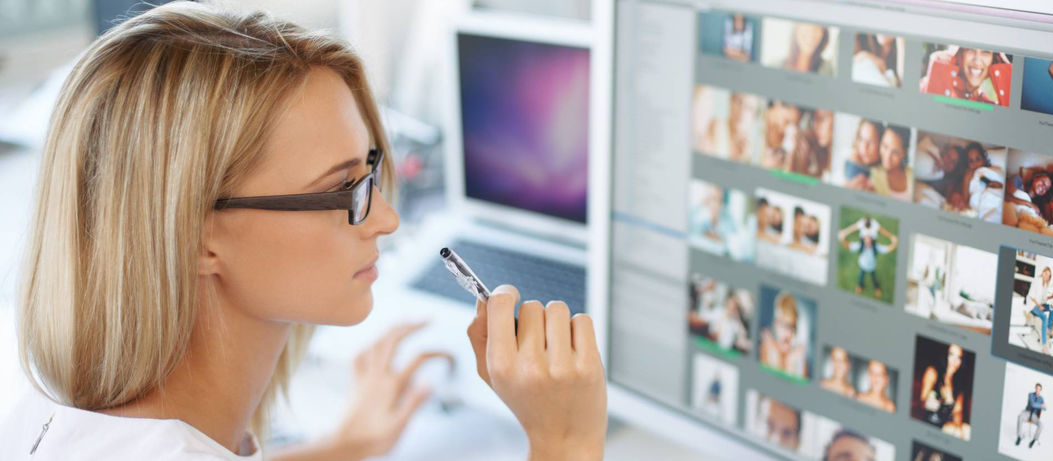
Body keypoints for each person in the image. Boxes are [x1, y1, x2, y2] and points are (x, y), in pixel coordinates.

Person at [1, 4, 607, 460]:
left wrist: (347, 444)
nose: (388, 220)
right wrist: (565, 438)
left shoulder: (57, 412)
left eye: (370, 171)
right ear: (195, 237)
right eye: (345, 190)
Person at [921, 46, 1011, 106]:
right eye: (970, 49)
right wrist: (939, 72)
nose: (977, 62)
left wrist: (1006, 75)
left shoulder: (988, 104)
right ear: (958, 55)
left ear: (993, 60)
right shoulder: (925, 86)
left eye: (986, 52)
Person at [838, 216, 898, 298]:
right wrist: (842, 239)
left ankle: (877, 288)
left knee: (874, 279)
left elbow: (887, 248)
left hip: (872, 266)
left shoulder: (876, 247)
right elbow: (848, 246)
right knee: (861, 278)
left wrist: (894, 242)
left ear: (872, 240)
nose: (867, 241)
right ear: (863, 240)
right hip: (863, 265)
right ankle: (859, 286)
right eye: (866, 239)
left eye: (869, 240)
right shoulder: (860, 245)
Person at [919, 344, 970, 438]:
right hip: (931, 423)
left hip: (948, 426)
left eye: (959, 357)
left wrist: (958, 428)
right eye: (951, 355)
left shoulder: (959, 384)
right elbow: (922, 400)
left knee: (967, 430)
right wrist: (927, 403)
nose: (955, 361)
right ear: (945, 355)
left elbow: (958, 413)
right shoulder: (933, 372)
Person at [760, 292, 809, 379]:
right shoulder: (767, 347)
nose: (788, 333)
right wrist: (778, 357)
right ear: (775, 324)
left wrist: (790, 363)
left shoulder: (799, 357)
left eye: (792, 327)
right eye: (784, 325)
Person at [869, 124, 913, 201]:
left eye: (895, 152)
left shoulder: (912, 174)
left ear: (904, 153)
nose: (887, 157)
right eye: (885, 146)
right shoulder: (872, 174)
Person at [843, 118, 881, 191]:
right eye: (861, 139)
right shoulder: (852, 161)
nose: (865, 147)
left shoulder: (882, 174)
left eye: (871, 141)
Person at [1028, 267, 1053, 354]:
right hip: (1033, 305)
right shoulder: (1037, 281)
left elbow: (1043, 299)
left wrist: (1051, 296)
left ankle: (1048, 328)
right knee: (1044, 317)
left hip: (1039, 304)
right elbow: (1031, 295)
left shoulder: (1045, 285)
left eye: (1048, 275)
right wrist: (1038, 305)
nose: (1046, 276)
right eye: (1045, 274)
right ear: (1042, 273)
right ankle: (1044, 345)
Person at [1015, 383, 1047, 448]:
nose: (1037, 390)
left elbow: (1045, 408)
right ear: (1035, 388)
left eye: (1039, 389)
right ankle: (1019, 437)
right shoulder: (1030, 395)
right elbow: (1032, 404)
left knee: (1041, 424)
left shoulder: (1041, 398)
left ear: (1041, 390)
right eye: (1036, 388)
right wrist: (1041, 405)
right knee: (1020, 417)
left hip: (1034, 416)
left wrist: (1041, 406)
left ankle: (1034, 440)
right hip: (1027, 413)